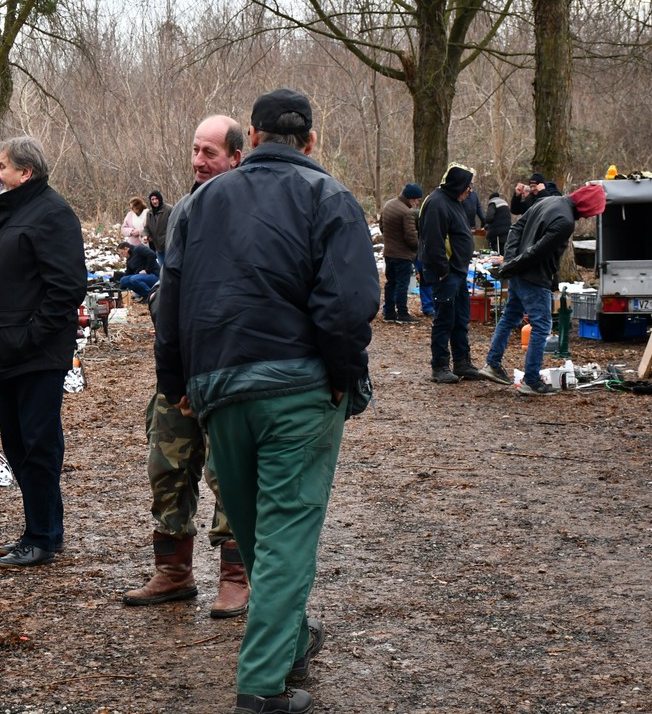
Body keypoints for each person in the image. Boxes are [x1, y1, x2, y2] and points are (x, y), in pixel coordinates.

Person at [155, 89, 378, 714]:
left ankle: (292, 638)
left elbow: (168, 306)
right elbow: (348, 303)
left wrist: (177, 386)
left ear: (250, 139)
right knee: (283, 534)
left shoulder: (199, 206)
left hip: (219, 390)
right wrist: (343, 376)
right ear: (310, 142)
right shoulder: (329, 198)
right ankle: (261, 684)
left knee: (257, 530)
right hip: (297, 391)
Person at [123, 114, 248, 620]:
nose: (198, 161)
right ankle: (174, 572)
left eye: (210, 153)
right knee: (167, 467)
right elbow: (171, 290)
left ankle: (235, 576)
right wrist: (171, 372)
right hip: (178, 371)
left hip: (229, 373)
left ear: (236, 157)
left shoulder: (249, 210)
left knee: (230, 475)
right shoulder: (183, 210)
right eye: (195, 150)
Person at [0, 136, 87, 568]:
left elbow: (66, 288)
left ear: (26, 173)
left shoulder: (51, 214)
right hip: (8, 352)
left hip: (36, 353)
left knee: (38, 445)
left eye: (2, 166)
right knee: (18, 445)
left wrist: (30, 335)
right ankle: (33, 529)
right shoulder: (12, 213)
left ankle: (44, 536)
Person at [479, 183, 607, 395]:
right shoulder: (565, 221)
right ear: (588, 207)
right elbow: (538, 251)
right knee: (541, 325)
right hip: (534, 276)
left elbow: (516, 228)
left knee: (510, 317)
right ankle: (531, 380)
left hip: (520, 272)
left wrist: (510, 262)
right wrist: (511, 264)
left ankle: (492, 363)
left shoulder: (548, 200)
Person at [418, 163, 481, 384]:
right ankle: (440, 365)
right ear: (458, 184)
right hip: (447, 273)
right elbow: (433, 240)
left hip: (458, 272)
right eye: (468, 186)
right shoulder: (437, 203)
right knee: (444, 319)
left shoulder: (453, 201)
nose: (470, 190)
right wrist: (442, 270)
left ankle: (462, 362)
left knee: (461, 318)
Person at [379, 183, 423, 323]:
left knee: (390, 283)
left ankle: (389, 313)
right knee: (402, 284)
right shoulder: (406, 212)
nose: (417, 203)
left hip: (389, 252)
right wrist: (419, 247)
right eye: (417, 200)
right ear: (411, 198)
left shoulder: (388, 205)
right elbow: (411, 237)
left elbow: (382, 227)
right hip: (403, 255)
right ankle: (403, 313)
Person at [143, 190, 172, 266]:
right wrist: (145, 236)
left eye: (156, 199)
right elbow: (146, 228)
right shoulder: (149, 213)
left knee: (171, 268)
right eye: (152, 199)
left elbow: (175, 226)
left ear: (160, 199)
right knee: (162, 268)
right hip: (157, 247)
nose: (155, 201)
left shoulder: (169, 209)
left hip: (169, 246)